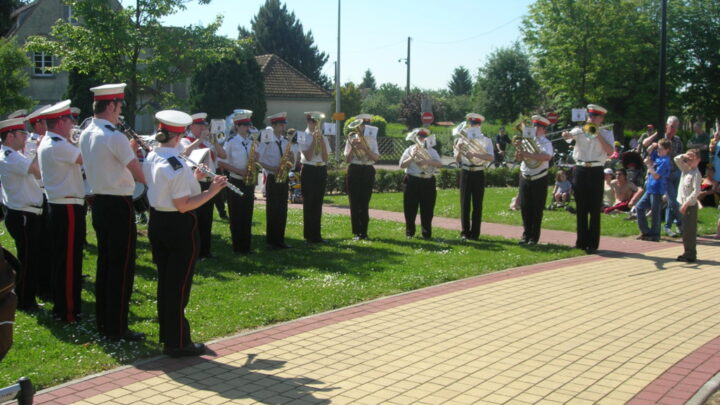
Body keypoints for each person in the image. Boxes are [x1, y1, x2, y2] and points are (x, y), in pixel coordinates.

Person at [143, 110, 227, 357]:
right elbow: (183, 204)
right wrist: (212, 190)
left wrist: (195, 178)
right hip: (178, 225)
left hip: (158, 220)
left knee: (166, 282)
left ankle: (169, 336)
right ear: (179, 135)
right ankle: (178, 342)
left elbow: (168, 187)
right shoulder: (176, 164)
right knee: (178, 286)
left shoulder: (153, 155)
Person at [79, 83, 146, 341]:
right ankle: (118, 327)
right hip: (118, 204)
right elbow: (137, 172)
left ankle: (104, 321)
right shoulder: (113, 135)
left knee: (106, 263)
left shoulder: (87, 132)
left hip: (99, 202)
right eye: (119, 107)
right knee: (122, 267)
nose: (120, 112)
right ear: (110, 106)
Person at [37, 100, 86, 323]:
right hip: (66, 205)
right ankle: (67, 311)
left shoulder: (54, 141)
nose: (72, 125)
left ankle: (66, 305)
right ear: (60, 122)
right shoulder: (57, 144)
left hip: (61, 204)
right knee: (68, 261)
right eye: (69, 121)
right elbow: (86, 158)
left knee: (65, 258)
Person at [0, 118, 43, 311]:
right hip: (22, 214)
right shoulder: (10, 156)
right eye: (22, 134)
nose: (26, 137)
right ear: (10, 136)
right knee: (28, 259)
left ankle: (28, 297)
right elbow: (36, 171)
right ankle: (25, 300)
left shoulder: (13, 154)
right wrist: (39, 150)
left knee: (32, 257)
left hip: (24, 212)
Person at [562, 104, 615, 253]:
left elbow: (611, 152)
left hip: (597, 169)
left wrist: (598, 135)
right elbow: (569, 137)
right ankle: (581, 241)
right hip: (580, 169)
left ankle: (593, 243)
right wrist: (566, 135)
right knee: (581, 207)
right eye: (590, 116)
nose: (591, 119)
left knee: (594, 207)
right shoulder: (579, 130)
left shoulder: (606, 133)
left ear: (601, 119)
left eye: (595, 117)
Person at [179, 113, 227, 260]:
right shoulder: (185, 140)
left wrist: (215, 142)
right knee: (196, 218)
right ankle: (195, 250)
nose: (203, 128)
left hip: (208, 182)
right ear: (192, 126)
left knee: (207, 217)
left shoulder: (208, 142)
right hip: (195, 181)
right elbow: (183, 154)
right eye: (200, 125)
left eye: (204, 125)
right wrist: (199, 140)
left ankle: (205, 250)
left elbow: (223, 155)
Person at [218, 110, 258, 254]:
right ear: (237, 127)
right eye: (244, 125)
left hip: (249, 181)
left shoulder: (251, 141)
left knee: (247, 214)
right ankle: (237, 246)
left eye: (248, 125)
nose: (248, 128)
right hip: (236, 180)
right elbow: (222, 163)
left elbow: (256, 158)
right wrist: (240, 171)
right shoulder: (231, 142)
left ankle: (246, 245)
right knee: (236, 215)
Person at [258, 112, 296, 248]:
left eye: (283, 125)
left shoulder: (285, 141)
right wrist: (272, 168)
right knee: (273, 209)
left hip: (283, 177)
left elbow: (292, 161)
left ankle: (280, 239)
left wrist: (291, 158)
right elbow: (259, 160)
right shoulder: (267, 140)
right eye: (280, 125)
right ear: (273, 126)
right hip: (273, 177)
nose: (283, 127)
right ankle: (271, 240)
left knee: (282, 209)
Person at [454, 113, 494, 241]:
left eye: (475, 124)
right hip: (465, 171)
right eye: (471, 124)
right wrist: (459, 150)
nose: (472, 126)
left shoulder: (486, 140)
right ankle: (465, 232)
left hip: (478, 171)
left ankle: (475, 233)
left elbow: (491, 157)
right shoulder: (461, 139)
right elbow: (457, 159)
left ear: (480, 125)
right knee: (464, 203)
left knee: (478, 204)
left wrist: (475, 154)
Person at [644, 116, 684, 237]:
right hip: (663, 175)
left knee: (673, 201)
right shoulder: (661, 138)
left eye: (676, 127)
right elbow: (645, 144)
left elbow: (680, 156)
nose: (673, 129)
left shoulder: (677, 140)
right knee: (672, 200)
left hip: (676, 172)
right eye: (671, 126)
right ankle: (682, 225)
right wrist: (657, 134)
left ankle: (668, 226)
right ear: (667, 126)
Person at [399, 128, 443, 239]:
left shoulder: (431, 150)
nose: (421, 139)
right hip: (412, 180)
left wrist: (427, 161)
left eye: (423, 138)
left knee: (428, 209)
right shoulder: (410, 149)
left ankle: (426, 233)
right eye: (419, 137)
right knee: (410, 208)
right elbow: (401, 165)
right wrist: (411, 157)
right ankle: (410, 233)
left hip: (428, 180)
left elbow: (439, 164)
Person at [517, 115, 553, 245]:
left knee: (537, 208)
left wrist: (528, 154)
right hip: (525, 175)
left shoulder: (546, 142)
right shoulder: (526, 141)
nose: (535, 129)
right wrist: (519, 152)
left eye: (538, 127)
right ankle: (525, 235)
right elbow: (520, 159)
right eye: (534, 126)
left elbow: (546, 157)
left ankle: (534, 237)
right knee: (525, 207)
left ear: (544, 129)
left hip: (539, 177)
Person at [344, 113, 380, 240]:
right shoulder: (351, 137)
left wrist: (365, 148)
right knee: (354, 202)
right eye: (361, 124)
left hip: (368, 170)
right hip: (354, 169)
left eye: (365, 124)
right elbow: (347, 159)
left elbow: (375, 158)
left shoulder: (372, 139)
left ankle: (363, 232)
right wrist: (353, 148)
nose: (363, 127)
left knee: (364, 202)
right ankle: (356, 232)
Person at [299, 111, 331, 243]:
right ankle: (308, 235)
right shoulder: (302, 135)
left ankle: (317, 235)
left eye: (317, 122)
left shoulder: (323, 137)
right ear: (308, 122)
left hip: (321, 169)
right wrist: (313, 140)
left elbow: (325, 158)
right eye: (314, 122)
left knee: (318, 203)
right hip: (309, 169)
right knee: (309, 203)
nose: (316, 124)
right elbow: (307, 156)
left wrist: (321, 141)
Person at [635, 139, 672, 241]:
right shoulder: (658, 157)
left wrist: (649, 166)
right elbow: (648, 151)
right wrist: (653, 146)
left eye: (661, 149)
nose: (658, 150)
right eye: (658, 148)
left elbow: (656, 176)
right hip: (650, 188)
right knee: (639, 207)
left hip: (658, 189)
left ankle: (655, 235)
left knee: (655, 213)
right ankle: (646, 231)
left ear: (667, 150)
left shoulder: (665, 161)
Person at [674, 149, 702, 262]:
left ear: (698, 160)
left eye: (692, 158)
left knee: (690, 231)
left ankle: (690, 254)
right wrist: (684, 155)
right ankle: (687, 252)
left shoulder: (696, 174)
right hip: (683, 204)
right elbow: (676, 159)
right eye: (688, 159)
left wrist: (686, 204)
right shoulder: (686, 170)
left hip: (689, 206)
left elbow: (696, 192)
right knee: (685, 231)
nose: (689, 161)